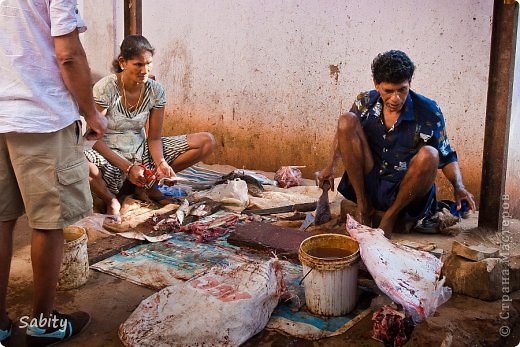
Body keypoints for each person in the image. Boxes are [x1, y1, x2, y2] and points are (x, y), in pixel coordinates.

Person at [0, 0, 107, 345]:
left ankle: (0, 324)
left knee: (1, 221)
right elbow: (68, 54)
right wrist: (91, 113)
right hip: (40, 116)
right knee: (48, 222)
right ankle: (42, 322)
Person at [318, 50, 476, 238]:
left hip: (405, 191)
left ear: (410, 83)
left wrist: (459, 186)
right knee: (346, 120)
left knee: (430, 155)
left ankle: (390, 218)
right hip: (369, 182)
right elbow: (344, 133)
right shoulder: (365, 102)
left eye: (402, 89)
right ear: (377, 85)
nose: (396, 98)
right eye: (388, 91)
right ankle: (364, 206)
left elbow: (446, 154)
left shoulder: (428, 111)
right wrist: (330, 166)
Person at [85, 35, 215, 221]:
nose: (144, 70)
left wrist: (161, 163)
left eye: (149, 63)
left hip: (142, 153)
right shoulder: (105, 88)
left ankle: (149, 186)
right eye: (138, 64)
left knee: (206, 141)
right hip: (110, 158)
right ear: (123, 62)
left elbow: (154, 138)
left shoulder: (155, 90)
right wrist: (128, 167)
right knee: (80, 162)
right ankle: (111, 199)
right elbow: (92, 138)